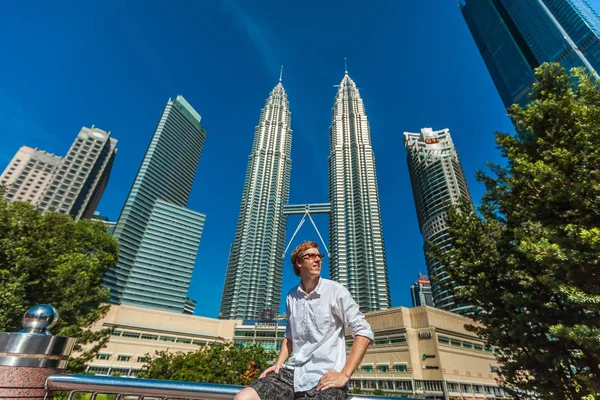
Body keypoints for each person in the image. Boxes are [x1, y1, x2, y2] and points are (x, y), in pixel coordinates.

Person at [235, 241, 374, 400]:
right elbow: (289, 336)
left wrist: (344, 374)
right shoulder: (291, 296)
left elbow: (364, 331)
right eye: (311, 256)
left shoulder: (336, 291)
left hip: (326, 377)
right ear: (299, 263)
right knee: (244, 397)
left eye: (319, 256)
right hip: (293, 372)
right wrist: (278, 364)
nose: (318, 259)